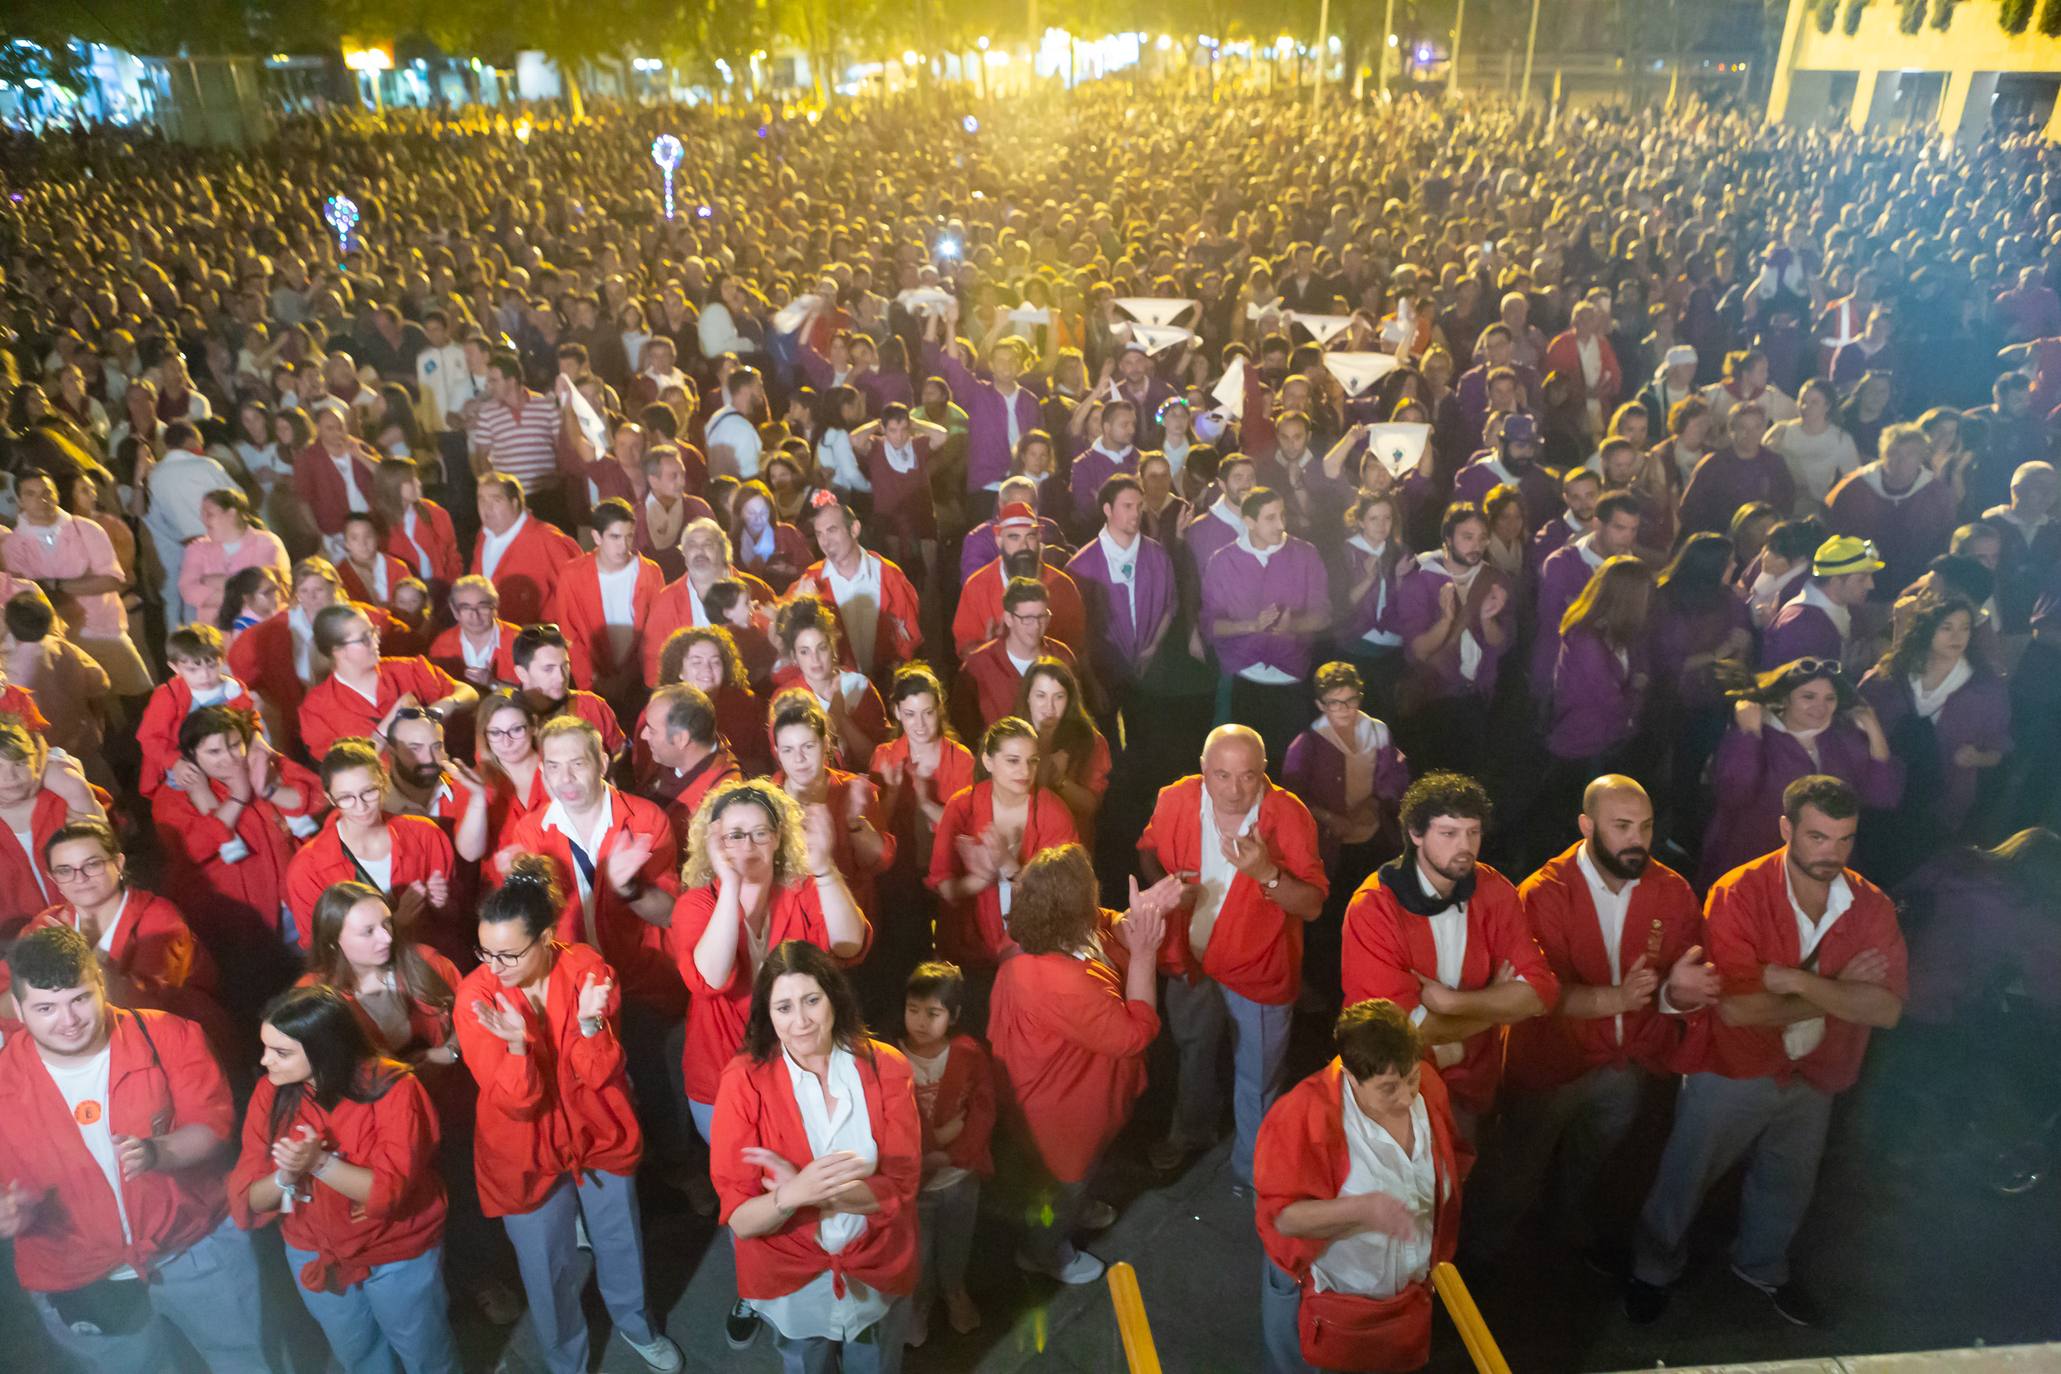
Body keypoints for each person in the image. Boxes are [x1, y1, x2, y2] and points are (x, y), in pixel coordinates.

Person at [1628, 776, 1906, 1328]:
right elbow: (1736, 1010)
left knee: (1788, 1180)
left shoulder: (1870, 904)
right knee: (1687, 1174)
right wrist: (1839, 991)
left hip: (1817, 1070)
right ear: (1786, 829)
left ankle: (1761, 1266)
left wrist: (1792, 980)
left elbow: (1888, 1010)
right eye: (1818, 837)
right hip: (1731, 1065)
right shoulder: (1739, 891)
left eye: (1844, 839)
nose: (1832, 853)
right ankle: (1651, 1269)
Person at [1467, 778, 1719, 1262]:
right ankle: (1482, 1259)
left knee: (1591, 1161)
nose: (1637, 840)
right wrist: (1617, 1000)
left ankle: (1565, 1225)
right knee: (1516, 1167)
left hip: (1625, 1065)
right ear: (1586, 826)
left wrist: (1676, 993)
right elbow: (1533, 993)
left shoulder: (1672, 890)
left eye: (1644, 827)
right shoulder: (1543, 892)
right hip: (1550, 1064)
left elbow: (1672, 982)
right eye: (1621, 826)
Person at [0, 926, 267, 1372]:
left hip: (194, 1247)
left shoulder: (171, 1036)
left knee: (242, 1360)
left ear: (101, 986)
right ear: (18, 1010)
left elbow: (213, 1125)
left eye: (80, 999)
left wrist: (161, 1152)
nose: (68, 1021)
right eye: (46, 1008)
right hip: (77, 1275)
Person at [455, 858, 685, 1373]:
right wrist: (517, 1047)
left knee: (619, 1238)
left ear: (546, 938)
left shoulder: (587, 969)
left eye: (509, 953)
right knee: (545, 1267)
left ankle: (635, 1323)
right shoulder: (477, 996)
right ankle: (566, 1359)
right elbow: (515, 1101)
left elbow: (602, 1071)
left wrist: (587, 1024)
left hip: (596, 1130)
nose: (495, 965)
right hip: (524, 1149)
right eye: (484, 951)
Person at [711, 940, 922, 1370]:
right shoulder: (743, 1082)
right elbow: (740, 1217)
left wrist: (808, 1190)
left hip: (875, 1265)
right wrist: (789, 1196)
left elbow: (902, 1186)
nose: (801, 1022)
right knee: (805, 1359)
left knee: (876, 1360)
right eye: (783, 1007)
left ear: (834, 998)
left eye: (811, 1000)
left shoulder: (888, 1068)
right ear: (767, 1016)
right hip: (793, 1280)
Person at [230, 984, 461, 1374]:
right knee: (360, 1357)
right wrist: (286, 1175)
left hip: (395, 1254)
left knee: (425, 1353)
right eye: (266, 1047)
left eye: (281, 1052)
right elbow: (250, 1196)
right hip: (313, 1249)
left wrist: (319, 1163)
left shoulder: (394, 1089)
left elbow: (390, 1191)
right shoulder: (271, 1095)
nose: (266, 1062)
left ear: (325, 1049)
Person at [1136, 724, 1328, 1185]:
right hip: (1190, 962)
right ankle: (1192, 1134)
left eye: (1248, 777)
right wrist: (1166, 885)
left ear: (1265, 772)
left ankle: (1252, 1174)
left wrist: (1267, 874)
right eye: (1221, 776)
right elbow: (1147, 851)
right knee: (1193, 1052)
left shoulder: (1289, 815)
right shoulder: (1175, 799)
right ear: (1203, 770)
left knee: (1256, 1078)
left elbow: (1313, 905)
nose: (1235, 790)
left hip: (1260, 971)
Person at [988, 844, 1181, 1284]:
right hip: (1064, 1116)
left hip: (1057, 1100)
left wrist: (1134, 915)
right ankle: (1044, 1251)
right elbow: (1135, 1034)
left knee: (1069, 1178)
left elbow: (1104, 923)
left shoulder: (1036, 938)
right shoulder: (1059, 983)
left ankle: (1072, 1208)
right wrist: (1146, 950)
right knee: (1066, 1181)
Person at [1254, 1000, 1469, 1374]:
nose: (1406, 1098)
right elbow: (1283, 1219)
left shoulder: (1427, 1089)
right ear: (1351, 1077)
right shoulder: (1304, 1117)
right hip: (1339, 1303)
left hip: (1406, 1296)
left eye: (1412, 1078)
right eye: (1388, 1089)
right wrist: (1364, 1210)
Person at [1340, 772, 1558, 1137]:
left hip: (1473, 1084)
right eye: (1449, 834)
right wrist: (1496, 1008)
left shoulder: (1493, 888)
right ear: (1415, 833)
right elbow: (1403, 1031)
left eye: (1473, 833)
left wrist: (1452, 1002)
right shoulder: (1374, 907)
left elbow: (1541, 993)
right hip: (1397, 1090)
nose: (1465, 847)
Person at [1702, 659, 1902, 888]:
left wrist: (1874, 731)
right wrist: (1749, 734)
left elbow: (1884, 797)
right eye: (1808, 697)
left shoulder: (1843, 738)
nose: (1820, 707)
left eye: (1830, 698)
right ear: (1785, 699)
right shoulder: (1757, 734)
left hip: (1825, 871)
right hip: (1755, 866)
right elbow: (1734, 794)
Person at [1857, 596, 2011, 874]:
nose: (1957, 636)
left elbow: (1998, 751)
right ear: (1926, 630)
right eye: (1947, 627)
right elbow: (1853, 726)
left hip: (1940, 803)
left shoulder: (1986, 690)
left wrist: (1976, 757)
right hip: (1879, 793)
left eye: (1965, 628)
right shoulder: (1888, 678)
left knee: (1917, 869)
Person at [927, 717, 1078, 990]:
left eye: (1032, 761)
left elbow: (1066, 898)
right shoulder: (962, 807)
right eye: (1013, 760)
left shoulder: (1052, 812)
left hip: (1034, 955)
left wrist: (1011, 868)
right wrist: (977, 880)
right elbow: (945, 887)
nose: (1024, 771)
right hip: (968, 955)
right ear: (987, 761)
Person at [1201, 486, 1332, 766]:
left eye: (1282, 515)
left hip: (1291, 681)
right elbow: (1211, 626)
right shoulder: (1222, 561)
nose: (1280, 524)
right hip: (1242, 681)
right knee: (1241, 768)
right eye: (1270, 518)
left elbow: (1324, 615)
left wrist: (1292, 626)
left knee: (1291, 769)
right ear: (1249, 522)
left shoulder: (1306, 554)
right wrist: (1252, 625)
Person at [898, 961, 992, 1346]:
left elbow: (985, 1109)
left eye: (933, 1013)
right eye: (913, 1010)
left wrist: (956, 1155)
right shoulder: (890, 1057)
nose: (920, 1021)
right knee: (917, 1252)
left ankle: (953, 1290)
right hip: (916, 1181)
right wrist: (936, 1145)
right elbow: (891, 1124)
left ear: (953, 1016)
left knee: (957, 1240)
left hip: (957, 1175)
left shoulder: (968, 1053)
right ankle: (919, 1302)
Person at [285, 738, 459, 948]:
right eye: (346, 798)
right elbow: (320, 949)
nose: (361, 806)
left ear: (384, 782)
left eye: (369, 792)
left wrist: (441, 904)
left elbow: (457, 921)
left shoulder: (425, 835)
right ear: (330, 798)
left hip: (428, 963)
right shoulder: (308, 868)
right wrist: (395, 924)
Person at [2, 471, 151, 696]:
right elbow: (29, 597)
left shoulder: (86, 529)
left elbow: (111, 581)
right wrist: (81, 583)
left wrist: (54, 585)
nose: (41, 500)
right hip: (61, 639)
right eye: (31, 494)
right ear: (21, 501)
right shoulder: (14, 544)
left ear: (57, 495)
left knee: (136, 691)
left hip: (104, 627)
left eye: (46, 492)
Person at [1392, 504, 1514, 776]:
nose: (1477, 544)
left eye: (1482, 537)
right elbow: (1419, 651)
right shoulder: (1421, 578)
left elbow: (1501, 645)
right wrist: (1446, 621)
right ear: (1448, 538)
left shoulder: (1494, 579)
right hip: (1434, 696)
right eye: (1467, 536)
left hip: (1477, 695)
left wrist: (1486, 619)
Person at [298, 604, 476, 758]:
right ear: (337, 651)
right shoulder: (316, 709)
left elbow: (469, 694)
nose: (376, 641)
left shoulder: (406, 669)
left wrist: (445, 706)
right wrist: (390, 724)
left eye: (373, 632)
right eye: (364, 639)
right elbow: (346, 770)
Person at [1066, 473, 1177, 706]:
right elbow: (1077, 632)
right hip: (1104, 673)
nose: (1135, 513)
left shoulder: (1156, 555)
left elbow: (1170, 603)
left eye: (1139, 506)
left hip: (1151, 670)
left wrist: (1154, 646)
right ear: (1107, 509)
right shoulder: (1081, 566)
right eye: (1127, 506)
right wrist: (1092, 681)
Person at [1825, 423, 1959, 614]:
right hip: (1859, 595)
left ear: (1921, 457)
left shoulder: (1937, 495)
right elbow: (1830, 536)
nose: (1900, 461)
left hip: (1915, 595)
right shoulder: (1853, 489)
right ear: (1882, 454)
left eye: (1909, 454)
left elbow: (1945, 543)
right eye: (1893, 453)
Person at [546, 497, 665, 702]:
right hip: (593, 685)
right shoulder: (571, 574)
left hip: (639, 682)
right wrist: (592, 682)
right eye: (615, 537)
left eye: (629, 536)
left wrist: (628, 678)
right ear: (597, 537)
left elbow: (655, 631)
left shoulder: (650, 572)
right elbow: (569, 633)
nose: (623, 545)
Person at [799, 496, 924, 680]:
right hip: (837, 688)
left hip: (887, 683)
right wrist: (802, 608)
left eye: (832, 530)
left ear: (855, 529)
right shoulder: (811, 580)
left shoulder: (889, 575)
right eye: (819, 534)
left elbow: (909, 637)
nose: (825, 542)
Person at [952, 501, 1088, 658]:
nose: (1023, 546)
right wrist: (990, 651)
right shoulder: (976, 586)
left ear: (1039, 540)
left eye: (1030, 536)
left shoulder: (1062, 586)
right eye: (1014, 537)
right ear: (999, 541)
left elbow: (1075, 648)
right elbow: (964, 645)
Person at [0, 720, 109, 916]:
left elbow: (104, 863)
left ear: (38, 759)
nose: (10, 777)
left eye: (20, 763)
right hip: (19, 941)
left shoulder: (65, 800)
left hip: (89, 921)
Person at [1016, 657, 1112, 836]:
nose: (1049, 707)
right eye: (1041, 696)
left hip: (1068, 844)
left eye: (1058, 697)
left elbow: (1091, 806)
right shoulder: (1011, 736)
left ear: (1069, 700)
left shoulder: (1089, 740)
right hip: (1020, 841)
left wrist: (1060, 780)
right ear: (1028, 697)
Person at [470, 473, 582, 627]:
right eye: (481, 500)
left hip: (535, 642)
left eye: (496, 500)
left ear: (515, 502)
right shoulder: (483, 536)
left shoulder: (547, 539)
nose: (486, 508)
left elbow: (578, 595)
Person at [636, 682, 741, 845]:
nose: (643, 735)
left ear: (682, 739)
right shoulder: (665, 757)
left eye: (652, 730)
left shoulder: (721, 802)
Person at [1760, 535, 1883, 670]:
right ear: (1835, 581)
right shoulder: (1801, 625)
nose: (1871, 585)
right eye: (1862, 579)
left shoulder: (1848, 608)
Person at [177, 487, 291, 631]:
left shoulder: (267, 543)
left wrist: (208, 580)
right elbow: (188, 591)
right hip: (216, 638)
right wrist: (242, 592)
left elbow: (262, 588)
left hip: (261, 632)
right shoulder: (196, 548)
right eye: (202, 514)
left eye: (209, 514)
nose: (203, 519)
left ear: (231, 513)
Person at [1678, 404, 1796, 538]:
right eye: (1743, 428)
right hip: (1720, 543)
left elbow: (1786, 506)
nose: (1750, 434)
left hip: (1763, 542)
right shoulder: (1713, 465)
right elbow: (1689, 510)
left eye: (1757, 427)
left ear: (1764, 429)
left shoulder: (1775, 464)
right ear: (1731, 430)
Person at [428, 574, 520, 689]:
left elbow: (534, 696)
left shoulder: (519, 640)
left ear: (495, 606)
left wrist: (493, 683)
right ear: (454, 611)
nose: (475, 616)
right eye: (466, 608)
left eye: (482, 607)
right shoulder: (441, 645)